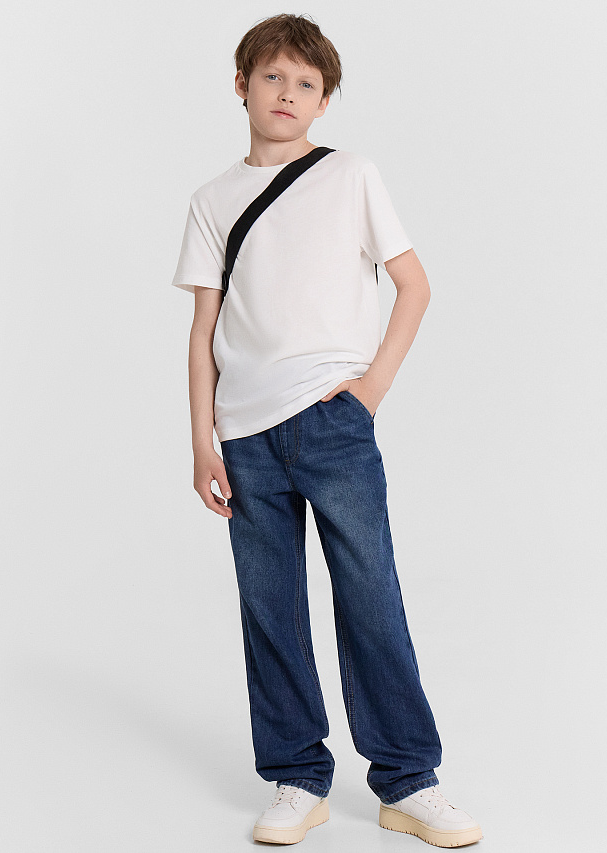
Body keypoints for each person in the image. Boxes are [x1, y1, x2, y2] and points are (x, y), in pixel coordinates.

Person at [170, 12, 482, 849]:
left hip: (333, 422)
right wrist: (201, 439)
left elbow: (414, 284)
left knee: (370, 595)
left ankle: (408, 779)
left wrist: (370, 390)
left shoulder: (350, 175)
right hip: (244, 435)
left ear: (325, 101)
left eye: (306, 83)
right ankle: (297, 777)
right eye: (272, 77)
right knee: (269, 605)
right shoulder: (210, 200)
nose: (287, 93)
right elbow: (203, 330)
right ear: (242, 85)